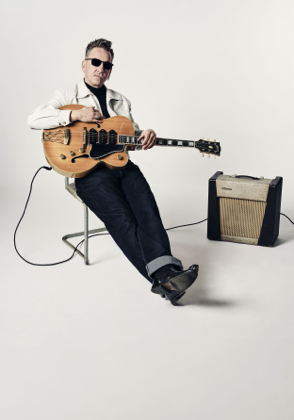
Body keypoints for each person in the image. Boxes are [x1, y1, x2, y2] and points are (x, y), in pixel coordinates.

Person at [28, 38, 199, 305]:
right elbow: (33, 119)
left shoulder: (120, 101)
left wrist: (146, 136)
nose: (100, 68)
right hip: (90, 173)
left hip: (123, 168)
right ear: (84, 65)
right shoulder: (67, 95)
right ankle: (166, 277)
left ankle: (166, 279)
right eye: (95, 62)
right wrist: (74, 116)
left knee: (148, 211)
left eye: (106, 65)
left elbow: (129, 140)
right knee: (123, 220)